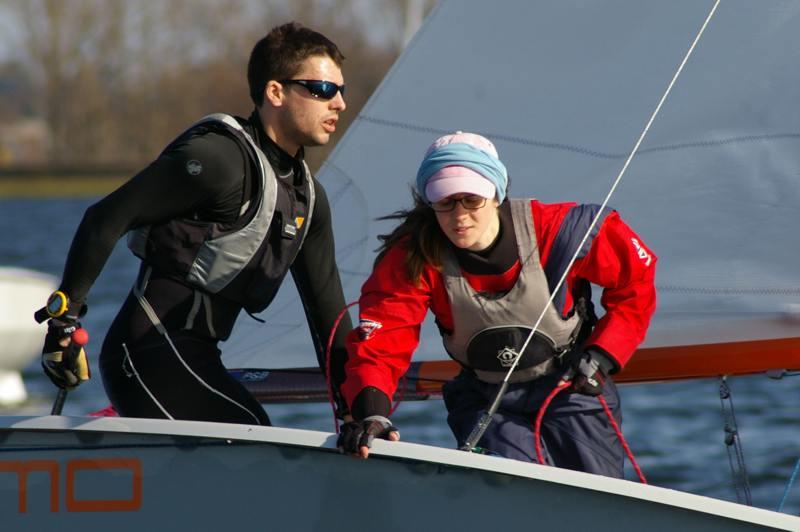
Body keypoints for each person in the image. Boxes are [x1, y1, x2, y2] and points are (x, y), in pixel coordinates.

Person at [38, 22, 352, 425]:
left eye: (342, 91)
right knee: (253, 437)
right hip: (143, 356)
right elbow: (106, 217)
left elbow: (329, 318)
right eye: (324, 89)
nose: (339, 103)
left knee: (260, 438)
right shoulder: (218, 160)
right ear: (276, 92)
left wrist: (358, 413)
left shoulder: (309, 198)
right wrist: (64, 322)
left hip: (200, 360)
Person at [337, 132, 656, 477]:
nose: (459, 215)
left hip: (572, 386)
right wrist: (371, 413)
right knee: (513, 485)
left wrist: (604, 354)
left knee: (596, 500)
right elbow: (381, 343)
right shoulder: (413, 258)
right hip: (484, 399)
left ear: (495, 194)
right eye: (445, 201)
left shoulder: (561, 230)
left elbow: (636, 282)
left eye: (471, 200)